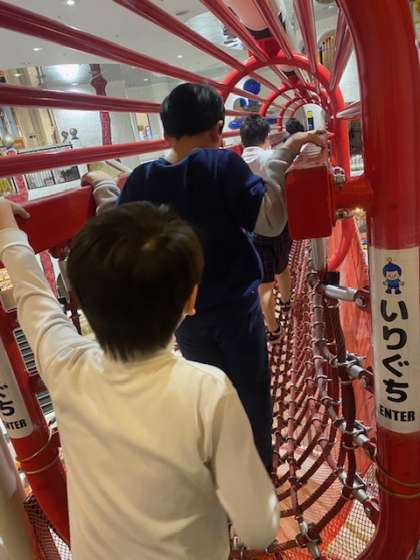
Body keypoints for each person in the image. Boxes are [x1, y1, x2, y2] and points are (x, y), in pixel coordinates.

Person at [0, 198, 280, 560]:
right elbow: (258, 527)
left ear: (83, 302)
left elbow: (34, 298)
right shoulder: (207, 389)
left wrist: (8, 228)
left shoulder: (66, 364)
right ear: (191, 299)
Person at [84, 83, 326, 473]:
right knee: (251, 391)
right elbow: (269, 221)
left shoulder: (143, 178)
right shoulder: (222, 165)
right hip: (236, 308)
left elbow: (117, 220)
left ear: (166, 133)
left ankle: (223, 469)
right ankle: (259, 469)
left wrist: (102, 183)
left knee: (210, 393)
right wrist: (283, 155)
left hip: (184, 315)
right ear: (217, 129)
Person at [240, 115, 293, 343]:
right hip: (279, 223)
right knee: (283, 266)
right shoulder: (272, 157)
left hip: (253, 229)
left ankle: (273, 329)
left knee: (264, 283)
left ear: (242, 140)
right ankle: (287, 303)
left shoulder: (236, 164)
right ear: (266, 137)